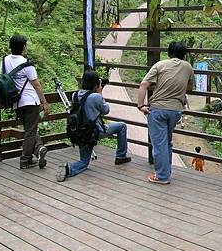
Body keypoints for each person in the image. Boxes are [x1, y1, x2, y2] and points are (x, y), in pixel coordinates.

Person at [56, 70, 131, 182]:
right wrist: (100, 93)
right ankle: (121, 156)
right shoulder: (95, 97)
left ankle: (69, 169)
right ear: (96, 84)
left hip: (80, 132)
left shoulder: (75, 95)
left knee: (84, 162)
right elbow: (106, 110)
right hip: (95, 132)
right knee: (122, 126)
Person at [138, 41, 194, 184]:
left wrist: (140, 105)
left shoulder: (160, 65)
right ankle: (166, 171)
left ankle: (162, 176)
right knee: (167, 142)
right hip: (176, 111)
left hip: (158, 110)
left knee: (159, 144)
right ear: (184, 54)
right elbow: (190, 88)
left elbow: (143, 84)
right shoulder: (188, 67)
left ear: (169, 52)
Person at [2, 35, 51, 169]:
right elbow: (36, 85)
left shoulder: (4, 60)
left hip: (16, 102)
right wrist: (45, 102)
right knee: (30, 131)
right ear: (24, 47)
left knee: (30, 129)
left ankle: (39, 149)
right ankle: (25, 160)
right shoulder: (27, 64)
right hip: (30, 101)